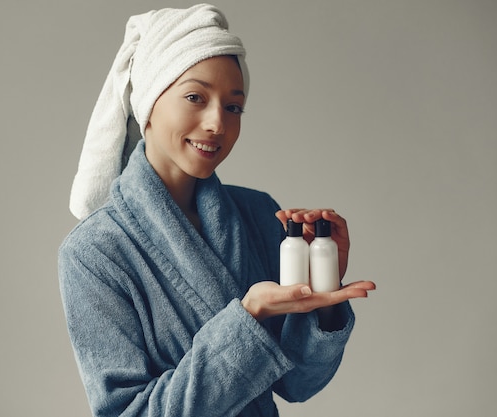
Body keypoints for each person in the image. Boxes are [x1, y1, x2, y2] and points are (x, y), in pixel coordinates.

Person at [58, 4, 375, 417]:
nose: (217, 123)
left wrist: (322, 293)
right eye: (195, 97)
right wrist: (247, 317)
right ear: (150, 99)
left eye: (233, 107)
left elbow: (298, 384)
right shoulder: (94, 253)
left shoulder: (260, 214)